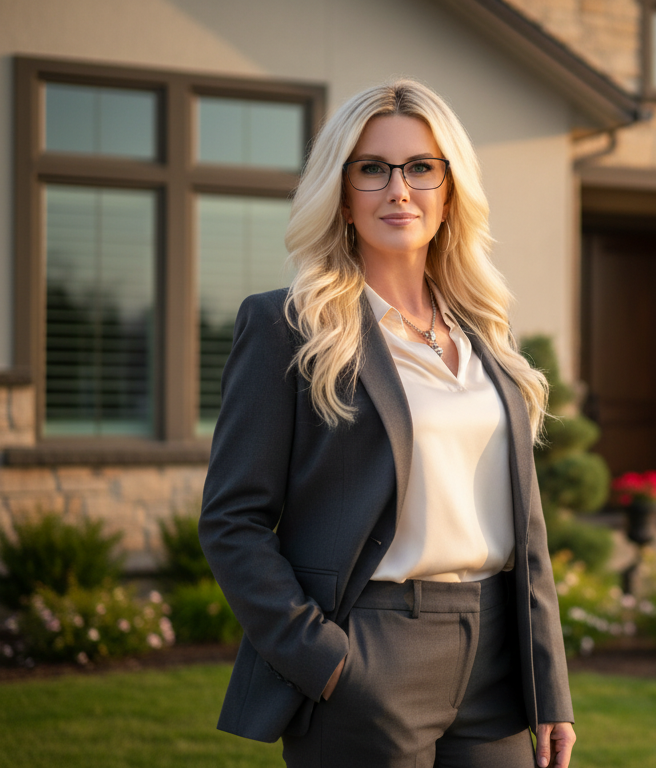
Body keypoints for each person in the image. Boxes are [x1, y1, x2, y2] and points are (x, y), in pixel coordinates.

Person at [198, 78, 576, 768]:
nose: (399, 190)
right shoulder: (288, 327)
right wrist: (326, 662)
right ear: (342, 195)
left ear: (449, 192)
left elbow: (526, 524)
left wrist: (548, 684)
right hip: (369, 652)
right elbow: (233, 520)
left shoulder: (485, 333)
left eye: (421, 168)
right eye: (373, 168)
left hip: (497, 658)